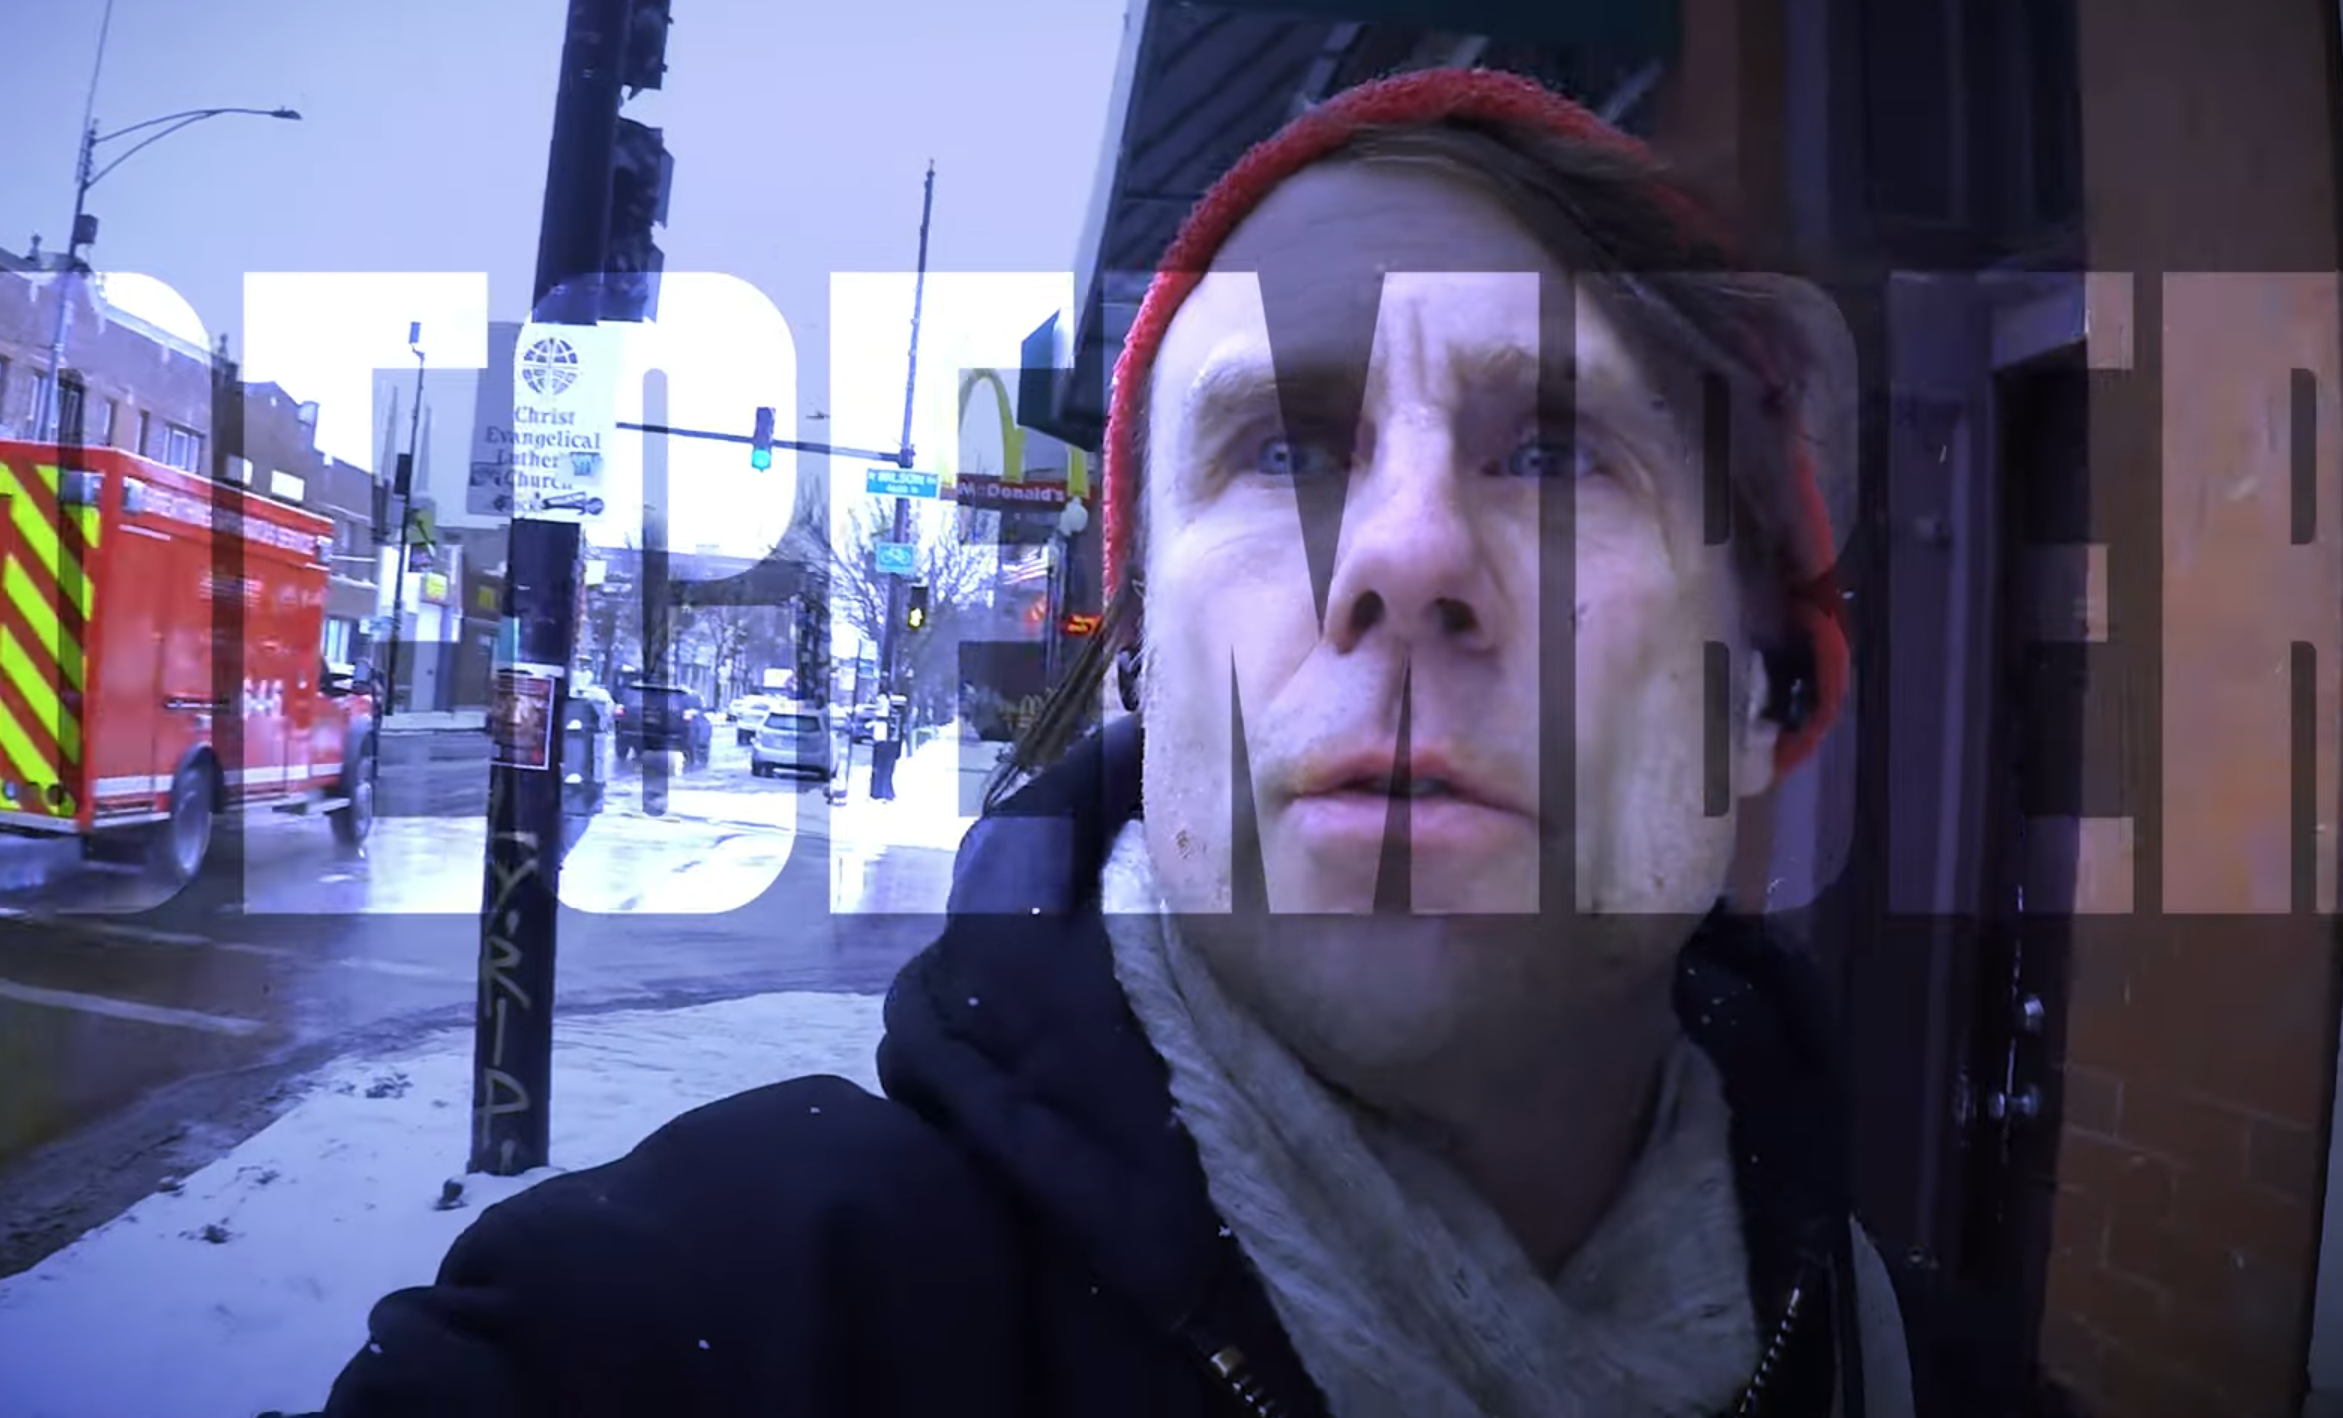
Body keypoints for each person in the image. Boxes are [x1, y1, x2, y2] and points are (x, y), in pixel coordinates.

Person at [294, 69, 2039, 1416]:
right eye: (1284, 448)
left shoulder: (1935, 1382)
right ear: (1138, 668)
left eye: (1556, 448)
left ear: (1764, 693)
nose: (1400, 555)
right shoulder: (697, 1329)